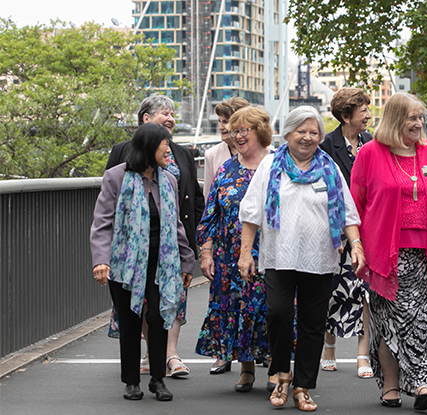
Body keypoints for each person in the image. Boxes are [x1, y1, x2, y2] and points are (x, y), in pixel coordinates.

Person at [238, 106, 365, 412]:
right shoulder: (271, 165)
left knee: (312, 324)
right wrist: (245, 253)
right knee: (278, 313)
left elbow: (347, 211)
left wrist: (356, 245)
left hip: (320, 258)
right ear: (289, 133)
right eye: (302, 131)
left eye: (314, 132)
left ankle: (302, 386)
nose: (308, 138)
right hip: (278, 256)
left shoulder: (329, 167)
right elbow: (251, 211)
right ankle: (281, 372)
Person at [351, 92, 427, 411]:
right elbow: (356, 205)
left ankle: (414, 384)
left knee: (416, 321)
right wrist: (358, 248)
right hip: (383, 253)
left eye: (421, 118)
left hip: (424, 254)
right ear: (395, 120)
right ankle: (404, 385)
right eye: (412, 118)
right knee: (389, 320)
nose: (419, 124)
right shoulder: (370, 153)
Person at [90, 123, 195, 401]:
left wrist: (187, 261)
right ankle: (132, 381)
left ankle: (158, 379)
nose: (168, 151)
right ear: (149, 147)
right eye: (165, 145)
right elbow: (102, 223)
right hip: (125, 263)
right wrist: (100, 260)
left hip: (162, 261)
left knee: (159, 316)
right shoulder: (116, 177)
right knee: (129, 320)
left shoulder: (169, 180)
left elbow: (176, 226)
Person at [106, 94, 204, 378]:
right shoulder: (122, 154)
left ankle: (169, 355)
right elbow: (110, 203)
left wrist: (192, 243)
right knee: (143, 306)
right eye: (164, 113)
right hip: (133, 249)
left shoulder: (183, 153)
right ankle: (150, 357)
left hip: (172, 245)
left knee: (169, 302)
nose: (171, 118)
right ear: (146, 119)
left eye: (173, 113)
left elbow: (195, 198)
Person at [195, 106, 272, 391]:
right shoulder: (227, 168)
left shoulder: (276, 164)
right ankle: (246, 369)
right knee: (238, 309)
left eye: (244, 130)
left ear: (259, 132)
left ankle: (276, 367)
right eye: (234, 130)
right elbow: (211, 212)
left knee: (269, 310)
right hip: (230, 255)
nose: (238, 136)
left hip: (269, 253)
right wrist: (206, 251)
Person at [318, 87, 374, 379]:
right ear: (345, 115)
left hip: (368, 228)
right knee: (333, 291)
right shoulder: (327, 145)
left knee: (364, 291)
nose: (368, 114)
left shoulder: (372, 143)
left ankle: (362, 354)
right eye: (363, 109)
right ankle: (329, 346)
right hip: (336, 232)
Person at [204, 97, 251, 195]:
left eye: (225, 121)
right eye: (219, 121)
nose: (221, 126)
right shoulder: (211, 155)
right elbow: (209, 197)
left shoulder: (266, 152)